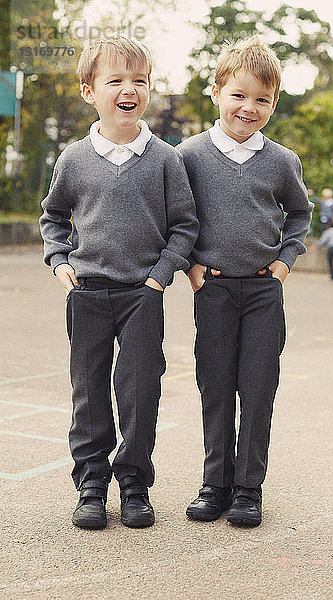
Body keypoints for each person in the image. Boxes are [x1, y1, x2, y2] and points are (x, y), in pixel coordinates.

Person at [39, 37, 198, 530]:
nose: (129, 90)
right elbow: (53, 217)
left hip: (141, 297)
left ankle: (133, 483)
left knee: (139, 391)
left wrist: (158, 276)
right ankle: (91, 483)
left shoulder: (166, 159)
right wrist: (59, 258)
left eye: (140, 81)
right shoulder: (73, 159)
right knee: (88, 391)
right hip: (86, 294)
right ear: (90, 90)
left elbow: (185, 226)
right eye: (115, 81)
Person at [177, 36, 313, 527]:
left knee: (257, 388)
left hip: (261, 292)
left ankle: (248, 489)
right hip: (211, 288)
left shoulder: (281, 161)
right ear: (216, 92)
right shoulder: (188, 156)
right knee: (215, 387)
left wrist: (284, 263)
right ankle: (215, 484)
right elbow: (176, 218)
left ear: (274, 103)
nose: (248, 107)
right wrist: (190, 266)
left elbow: (300, 215)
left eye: (262, 99)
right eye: (239, 95)